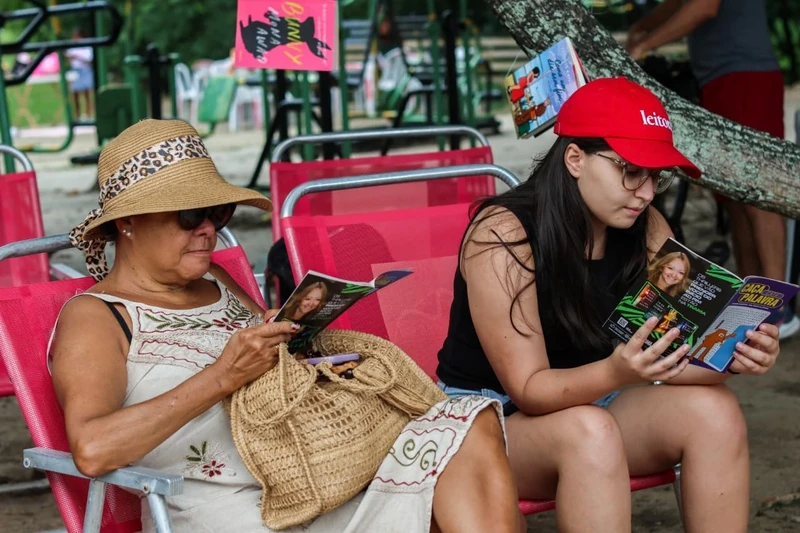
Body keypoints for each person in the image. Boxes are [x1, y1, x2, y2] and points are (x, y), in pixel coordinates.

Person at [49, 119, 524, 533]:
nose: (208, 229)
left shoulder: (215, 280)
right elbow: (93, 449)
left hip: (318, 476)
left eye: (217, 213)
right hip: (225, 513)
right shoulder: (96, 317)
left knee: (468, 425)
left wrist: (298, 339)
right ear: (129, 222)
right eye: (190, 215)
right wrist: (222, 376)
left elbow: (269, 372)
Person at [436, 77, 782, 533]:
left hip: (596, 401)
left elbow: (667, 360)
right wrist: (619, 372)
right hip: (489, 421)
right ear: (575, 159)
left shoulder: (646, 226)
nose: (647, 192)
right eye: (631, 170)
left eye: (656, 176)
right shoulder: (503, 236)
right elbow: (529, 389)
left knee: (715, 412)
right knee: (590, 432)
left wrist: (732, 353)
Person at [625, 0, 800, 339]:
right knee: (735, 197)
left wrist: (644, 44)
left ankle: (778, 308)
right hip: (718, 78)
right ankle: (749, 303)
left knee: (759, 191)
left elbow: (704, 7)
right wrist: (643, 26)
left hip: (745, 74)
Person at [65, 29, 95, 120]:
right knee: (75, 94)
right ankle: (77, 116)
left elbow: (89, 60)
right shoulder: (72, 47)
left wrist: (78, 57)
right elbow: (68, 57)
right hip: (75, 71)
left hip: (85, 70)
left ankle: (88, 115)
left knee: (87, 94)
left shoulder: (87, 47)